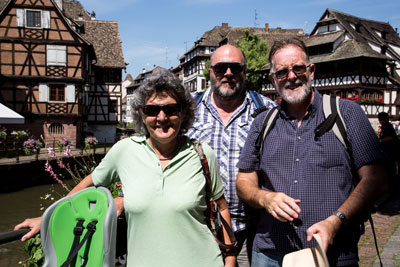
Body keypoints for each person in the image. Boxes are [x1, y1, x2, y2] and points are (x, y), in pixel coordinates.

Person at [15, 70, 236, 267]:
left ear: (184, 112)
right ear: (141, 114)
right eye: (152, 109)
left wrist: (230, 259)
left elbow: (222, 207)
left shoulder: (201, 154)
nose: (161, 117)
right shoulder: (125, 151)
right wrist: (48, 216)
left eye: (170, 108)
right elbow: (90, 182)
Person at [236, 38, 387, 267]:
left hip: (332, 253)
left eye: (298, 68)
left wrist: (336, 221)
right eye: (282, 72)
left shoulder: (347, 113)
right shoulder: (262, 123)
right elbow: (244, 180)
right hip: (270, 254)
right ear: (273, 79)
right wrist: (264, 198)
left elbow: (376, 179)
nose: (292, 77)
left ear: (311, 70)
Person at [186, 44, 276, 267]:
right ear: (210, 71)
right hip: (197, 230)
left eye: (235, 68)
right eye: (221, 68)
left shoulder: (266, 110)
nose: (228, 73)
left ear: (244, 71)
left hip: (250, 232)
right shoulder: (187, 110)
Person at [378, 112, 400, 189]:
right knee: (390, 170)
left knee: (390, 170)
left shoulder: (386, 126)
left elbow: (390, 137)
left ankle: (392, 187)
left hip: (391, 152)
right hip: (390, 152)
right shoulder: (386, 126)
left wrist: (380, 141)